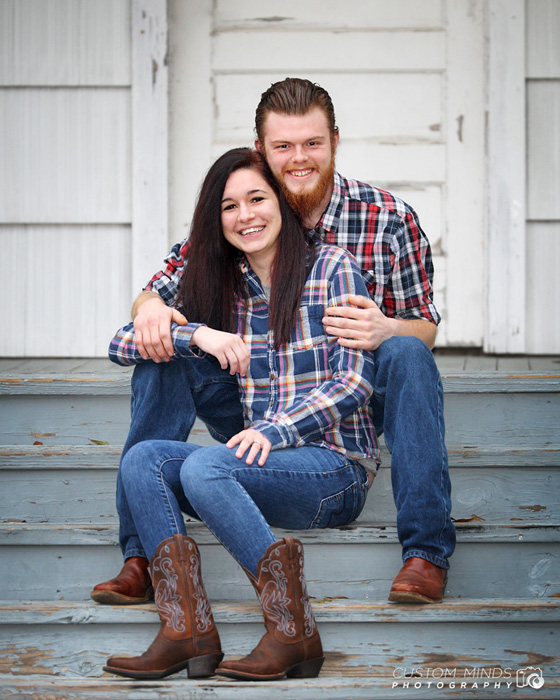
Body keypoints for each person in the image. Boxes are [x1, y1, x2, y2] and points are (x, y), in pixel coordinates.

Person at [91, 77, 454, 608]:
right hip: (255, 398)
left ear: (335, 140)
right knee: (163, 357)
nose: (299, 158)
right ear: (261, 149)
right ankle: (143, 556)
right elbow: (154, 294)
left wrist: (389, 328)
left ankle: (424, 551)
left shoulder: (385, 220)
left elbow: (424, 324)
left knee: (408, 351)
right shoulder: (244, 214)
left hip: (351, 403)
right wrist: (168, 321)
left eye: (313, 143)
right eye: (283, 146)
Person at [103, 147, 378, 681]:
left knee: (207, 466)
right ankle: (187, 630)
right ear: (216, 218)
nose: (245, 215)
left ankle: (293, 631)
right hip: (258, 459)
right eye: (229, 207)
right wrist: (196, 332)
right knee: (144, 460)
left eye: (257, 198)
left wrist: (275, 431)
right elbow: (121, 344)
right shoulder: (217, 278)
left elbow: (355, 380)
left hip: (333, 470)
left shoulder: (331, 268)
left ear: (282, 202)